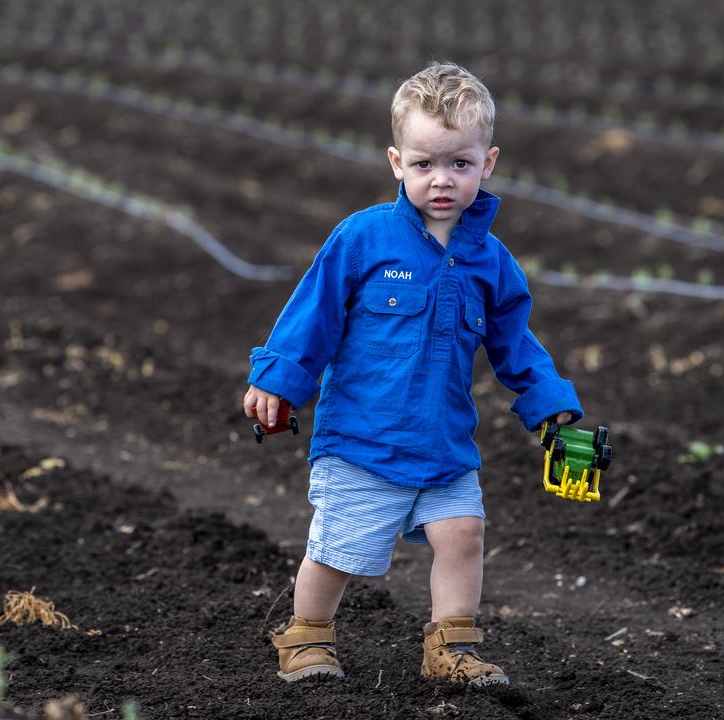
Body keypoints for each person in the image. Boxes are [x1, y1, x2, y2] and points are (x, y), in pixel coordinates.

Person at [243, 61, 582, 686]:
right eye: (425, 165)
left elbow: (517, 344)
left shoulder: (493, 263)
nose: (442, 180)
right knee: (339, 549)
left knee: (464, 533)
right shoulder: (363, 239)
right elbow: (312, 314)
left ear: (489, 163)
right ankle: (306, 635)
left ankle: (451, 647)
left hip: (445, 444)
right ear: (397, 163)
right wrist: (278, 380)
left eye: (460, 164)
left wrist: (552, 407)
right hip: (362, 441)